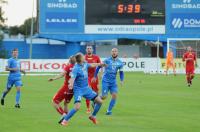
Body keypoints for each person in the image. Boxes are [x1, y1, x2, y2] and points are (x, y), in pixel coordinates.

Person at [60, 53, 106, 126]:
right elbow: (72, 78)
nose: (84, 57)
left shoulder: (85, 64)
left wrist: (100, 64)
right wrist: (71, 84)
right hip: (78, 90)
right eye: (83, 56)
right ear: (80, 59)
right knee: (77, 107)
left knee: (100, 101)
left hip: (86, 89)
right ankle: (65, 120)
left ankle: (92, 116)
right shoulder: (76, 68)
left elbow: (92, 65)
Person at [94, 48, 124, 115]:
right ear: (111, 53)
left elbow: (121, 72)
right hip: (106, 81)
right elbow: (99, 67)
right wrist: (95, 76)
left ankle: (109, 111)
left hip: (113, 82)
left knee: (114, 95)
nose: (114, 52)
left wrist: (121, 80)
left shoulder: (120, 62)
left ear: (117, 53)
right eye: (113, 51)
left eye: (115, 51)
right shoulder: (107, 60)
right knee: (104, 96)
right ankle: (95, 100)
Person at [85, 45, 101, 113]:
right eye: (88, 48)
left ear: (92, 50)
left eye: (90, 48)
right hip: (86, 77)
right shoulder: (83, 57)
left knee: (96, 91)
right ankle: (88, 108)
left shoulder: (96, 57)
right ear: (86, 50)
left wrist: (101, 74)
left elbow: (100, 65)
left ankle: (94, 103)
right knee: (88, 91)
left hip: (94, 76)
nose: (89, 49)